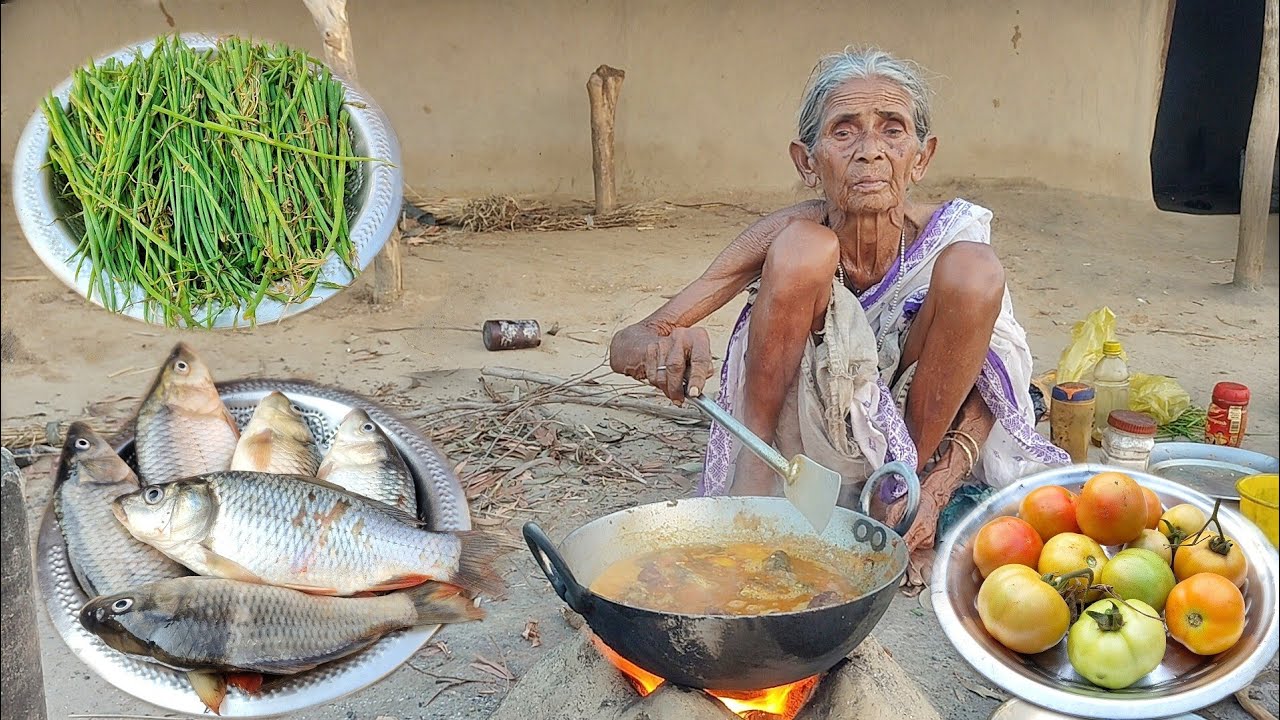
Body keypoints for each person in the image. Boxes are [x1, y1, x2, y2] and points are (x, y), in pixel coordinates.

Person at [608, 46, 1069, 588]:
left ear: (921, 157)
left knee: (975, 272)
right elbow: (629, 341)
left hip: (916, 429)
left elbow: (991, 378)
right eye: (844, 131)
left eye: (892, 130)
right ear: (807, 161)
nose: (870, 151)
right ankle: (753, 475)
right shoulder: (787, 232)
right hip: (803, 431)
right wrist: (664, 352)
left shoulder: (953, 237)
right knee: (805, 248)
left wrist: (940, 488)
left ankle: (901, 495)